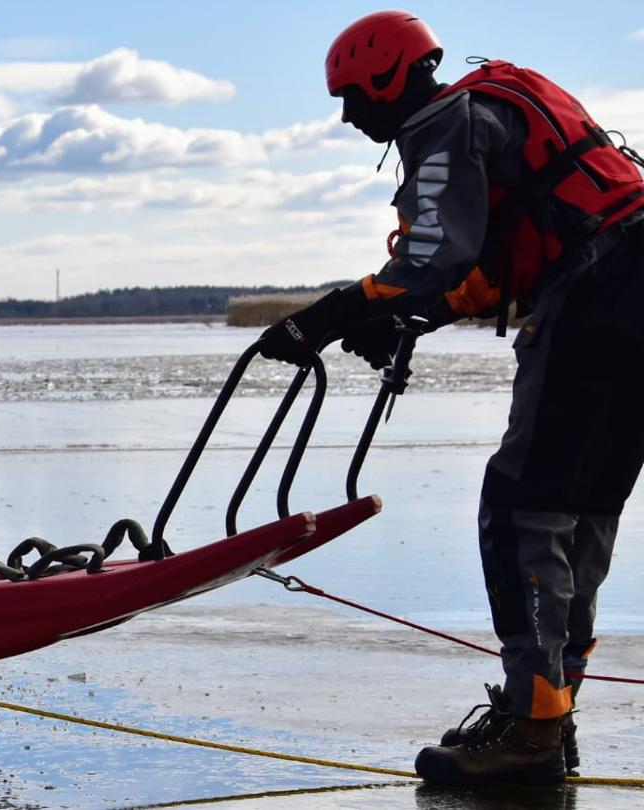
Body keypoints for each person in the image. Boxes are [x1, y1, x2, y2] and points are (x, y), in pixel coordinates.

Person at [257, 11, 644, 786]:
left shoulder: (445, 124)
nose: (348, 116)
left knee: (520, 510)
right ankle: (546, 714)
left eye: (353, 99)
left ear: (387, 80)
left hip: (598, 297)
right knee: (581, 512)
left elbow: (434, 257)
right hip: (631, 282)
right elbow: (482, 269)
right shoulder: (500, 105)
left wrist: (330, 316)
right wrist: (404, 314)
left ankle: (532, 733)